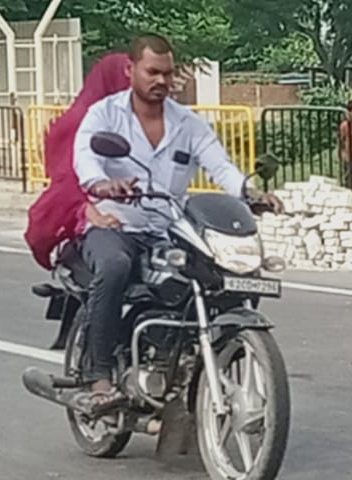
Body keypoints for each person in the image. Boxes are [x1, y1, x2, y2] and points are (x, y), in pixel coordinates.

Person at [70, 33, 282, 414]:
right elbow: (85, 157)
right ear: (130, 69)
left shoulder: (188, 123)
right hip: (116, 224)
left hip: (168, 229)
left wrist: (249, 193)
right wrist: (102, 184)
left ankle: (186, 356)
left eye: (167, 74)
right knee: (114, 266)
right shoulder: (105, 114)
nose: (161, 81)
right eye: (152, 72)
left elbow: (220, 165)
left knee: (220, 273)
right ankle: (99, 376)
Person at [23, 53, 130, 270]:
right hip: (94, 217)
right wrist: (97, 218)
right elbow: (70, 182)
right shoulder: (85, 121)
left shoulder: (129, 117)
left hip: (133, 212)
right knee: (115, 267)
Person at [337, 98, 352, 190]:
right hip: (349, 157)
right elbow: (341, 140)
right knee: (349, 179)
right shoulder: (345, 126)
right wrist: (342, 153)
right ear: (349, 113)